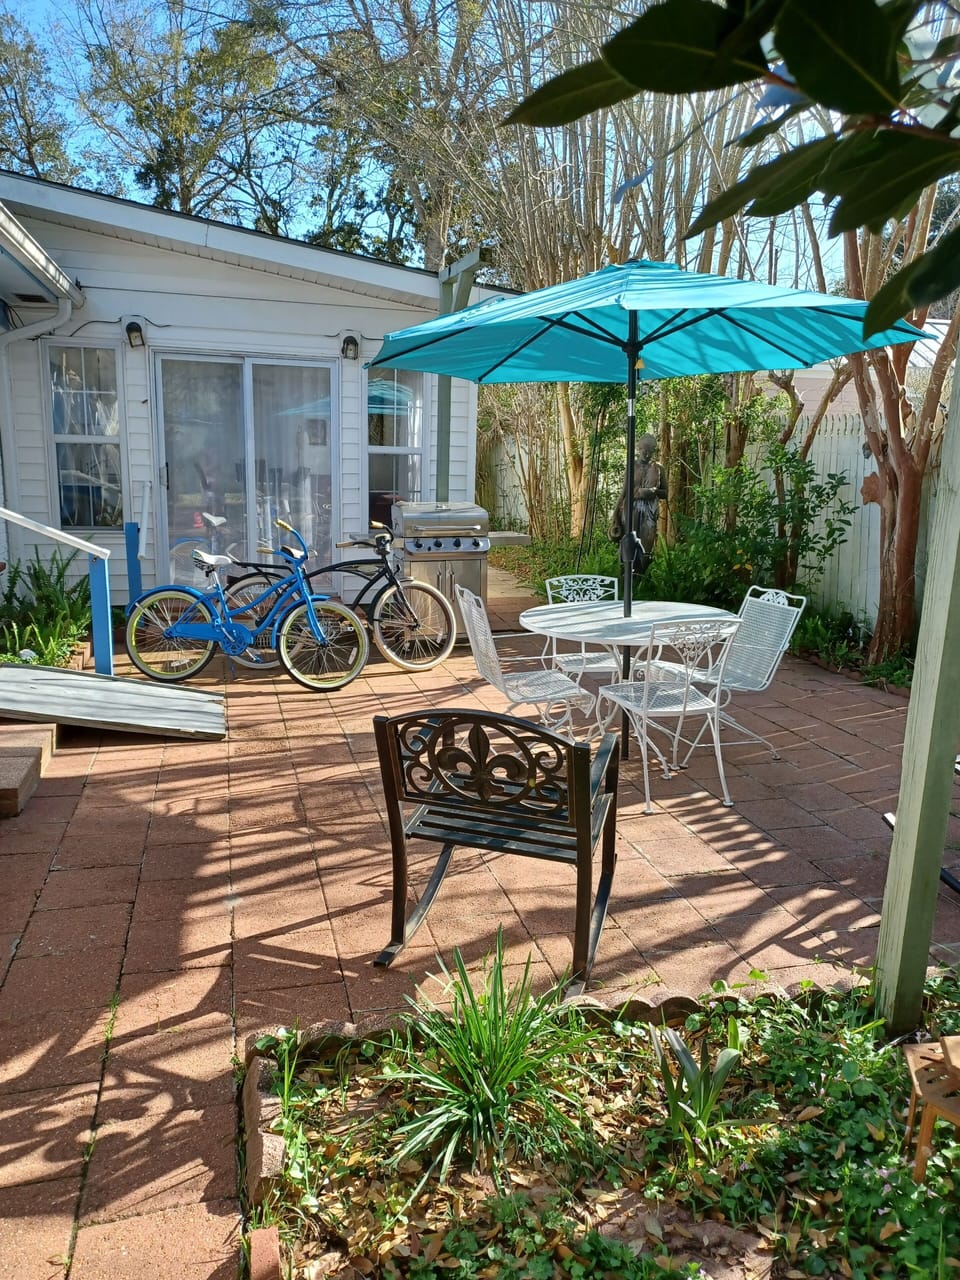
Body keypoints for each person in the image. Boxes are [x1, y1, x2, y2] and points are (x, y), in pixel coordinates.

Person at [610, 433, 668, 576]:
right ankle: (626, 580)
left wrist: (653, 492)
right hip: (631, 509)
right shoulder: (632, 466)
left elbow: (665, 493)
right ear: (639, 448)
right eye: (644, 450)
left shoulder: (659, 468)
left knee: (646, 545)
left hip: (649, 511)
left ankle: (642, 579)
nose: (647, 454)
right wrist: (615, 516)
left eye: (651, 450)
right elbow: (624, 491)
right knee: (628, 543)